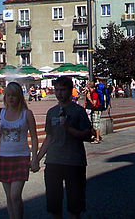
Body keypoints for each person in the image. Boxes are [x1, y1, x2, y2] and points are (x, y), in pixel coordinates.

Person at [38, 76, 92, 219]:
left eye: (62, 90)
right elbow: (49, 137)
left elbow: (87, 135)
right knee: (54, 204)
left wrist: (68, 128)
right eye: (57, 90)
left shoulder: (78, 111)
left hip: (74, 161)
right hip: (53, 161)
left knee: (75, 205)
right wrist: (36, 158)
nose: (59, 93)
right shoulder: (51, 112)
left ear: (70, 90)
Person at [0, 82, 39, 219]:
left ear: (19, 97)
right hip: (4, 157)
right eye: (8, 96)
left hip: (21, 157)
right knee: (9, 197)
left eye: (14, 96)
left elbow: (34, 137)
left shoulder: (26, 114)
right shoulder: (1, 113)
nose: (11, 98)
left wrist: (34, 158)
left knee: (15, 195)